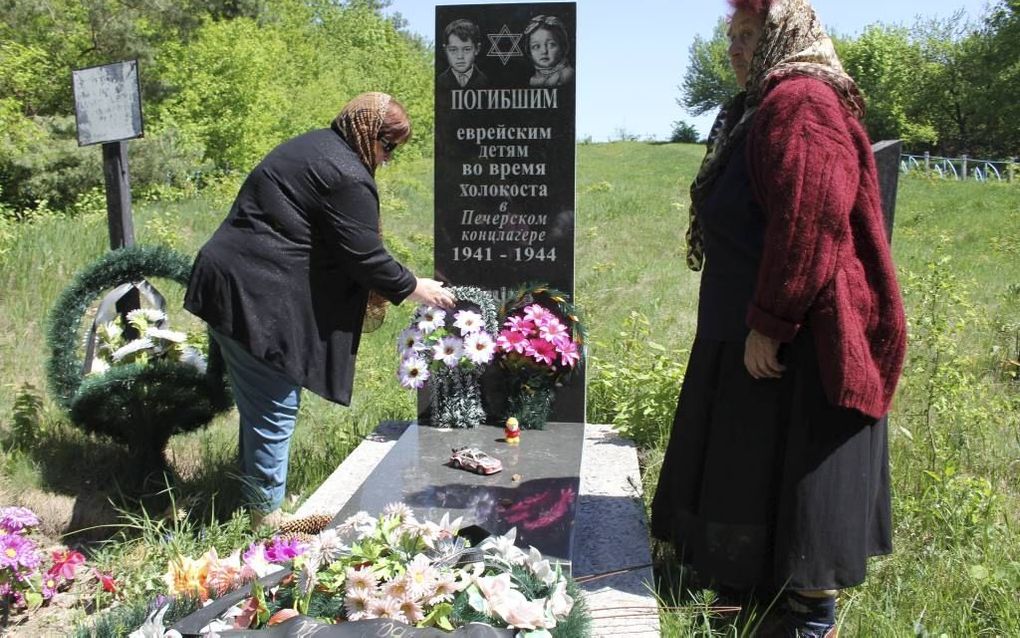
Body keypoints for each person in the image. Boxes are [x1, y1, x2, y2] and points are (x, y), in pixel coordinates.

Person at [650, 0, 907, 636]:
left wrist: (772, 319)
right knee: (748, 455)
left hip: (805, 332)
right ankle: (742, 587)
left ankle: (809, 611)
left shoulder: (803, 103)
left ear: (784, 36)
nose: (736, 49)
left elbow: (812, 218)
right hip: (746, 323)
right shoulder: (754, 108)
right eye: (732, 37)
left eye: (749, 35)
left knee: (798, 469)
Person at [184, 92, 455, 528]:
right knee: (275, 401)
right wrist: (413, 286)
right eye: (389, 146)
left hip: (233, 282)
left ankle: (255, 494)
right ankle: (266, 520)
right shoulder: (346, 174)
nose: (388, 158)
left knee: (260, 402)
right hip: (253, 293)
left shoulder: (315, 146)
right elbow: (363, 255)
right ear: (368, 134)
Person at [523, 15, 574, 87]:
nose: (544, 51)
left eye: (551, 45)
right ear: (529, 51)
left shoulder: (567, 76)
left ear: (562, 46)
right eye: (536, 46)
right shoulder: (534, 80)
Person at [437, 19, 489, 89]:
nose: (460, 56)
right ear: (445, 50)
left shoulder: (486, 81)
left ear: (477, 49)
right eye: (453, 50)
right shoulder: (439, 81)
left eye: (466, 49)